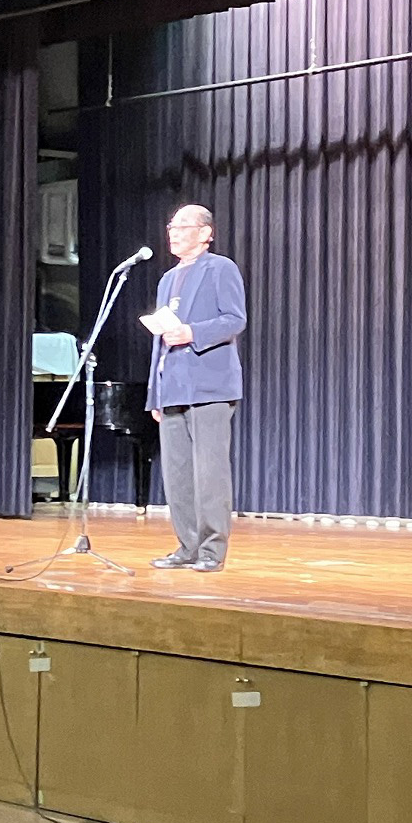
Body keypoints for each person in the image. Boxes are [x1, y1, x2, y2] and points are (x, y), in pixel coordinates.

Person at [146, 204, 247, 572]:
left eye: (183, 226)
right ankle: (187, 545)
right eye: (171, 226)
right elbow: (159, 342)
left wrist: (192, 332)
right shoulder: (167, 279)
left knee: (210, 473)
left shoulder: (220, 268)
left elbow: (234, 319)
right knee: (177, 474)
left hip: (209, 385)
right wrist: (155, 394)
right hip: (173, 387)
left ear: (206, 233)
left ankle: (211, 550)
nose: (173, 233)